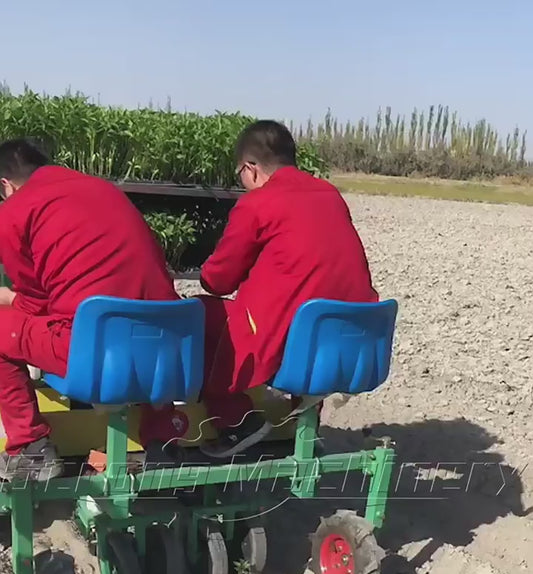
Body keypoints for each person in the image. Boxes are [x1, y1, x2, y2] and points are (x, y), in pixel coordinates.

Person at [171, 119, 378, 459]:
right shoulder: (329, 194)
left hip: (294, 341)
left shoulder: (258, 204)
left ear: (250, 168)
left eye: (240, 174)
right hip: (356, 339)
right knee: (315, 302)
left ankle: (235, 420)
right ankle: (303, 423)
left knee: (202, 312)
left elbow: (219, 280)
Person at [0, 138, 177, 481]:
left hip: (93, 350)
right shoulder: (102, 189)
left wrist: (9, 299)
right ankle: (161, 441)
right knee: (139, 317)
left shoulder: (15, 211)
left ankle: (31, 448)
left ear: (5, 184)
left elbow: (36, 305)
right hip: (166, 345)